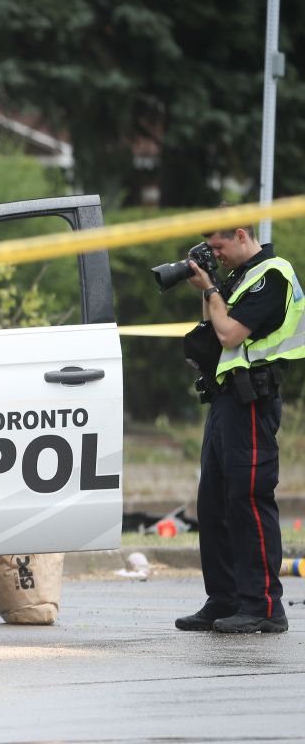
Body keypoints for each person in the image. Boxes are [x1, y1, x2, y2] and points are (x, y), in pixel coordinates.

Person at [175, 221, 304, 633]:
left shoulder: (272, 275)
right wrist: (209, 287)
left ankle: (264, 606)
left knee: (248, 498)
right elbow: (212, 329)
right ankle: (225, 598)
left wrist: (212, 290)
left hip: (253, 400)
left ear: (242, 234)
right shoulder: (239, 278)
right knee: (213, 501)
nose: (218, 254)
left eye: (220, 246)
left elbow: (229, 334)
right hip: (226, 400)